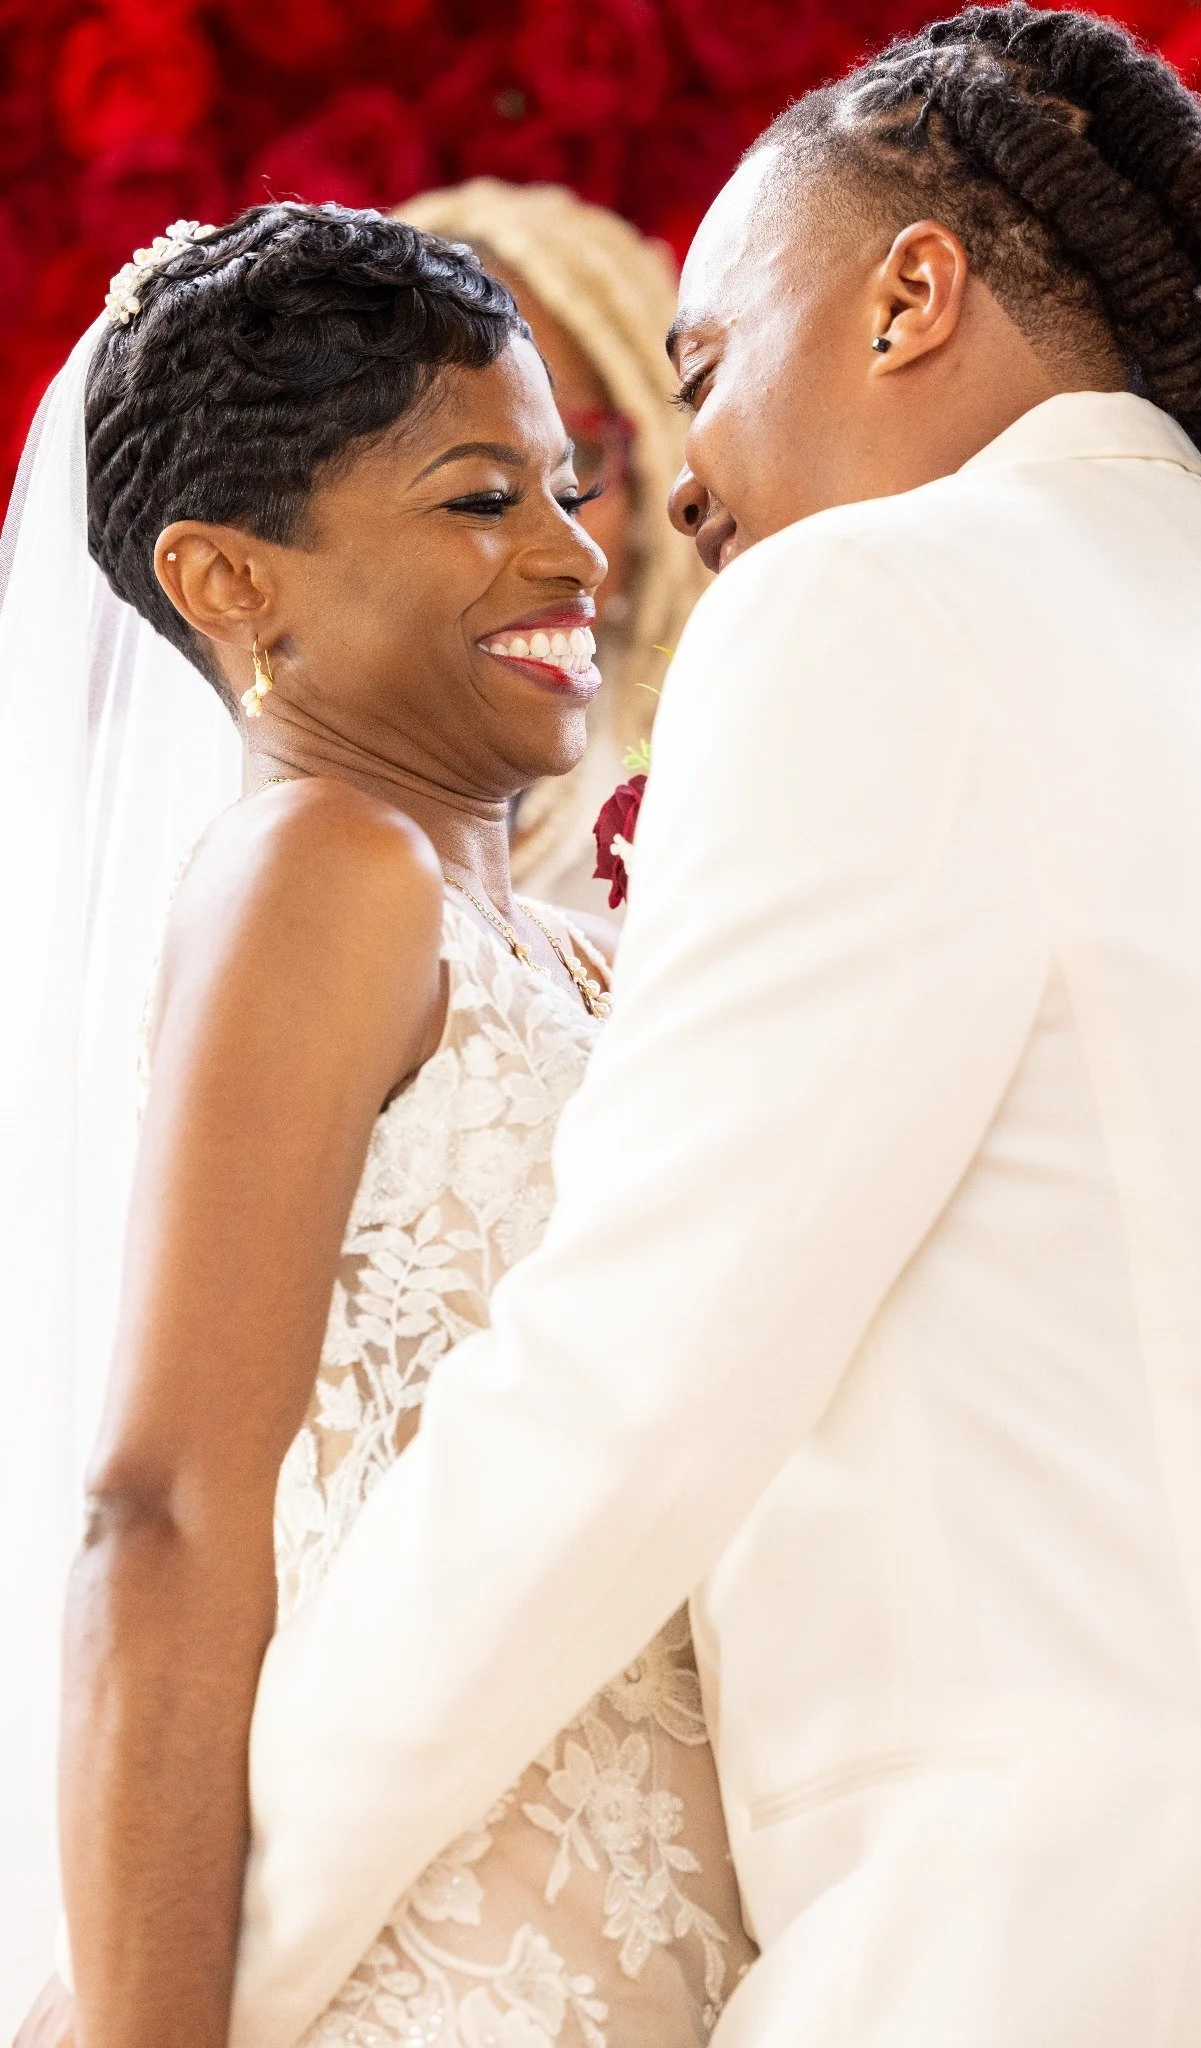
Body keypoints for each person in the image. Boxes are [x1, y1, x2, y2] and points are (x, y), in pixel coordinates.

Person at [227, 8, 1201, 2048]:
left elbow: (629, 1378)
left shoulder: (874, 611)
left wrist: (210, 1946)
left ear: (909, 294)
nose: (680, 494)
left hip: (1025, 1944)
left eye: (704, 374)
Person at [12, 203, 753, 2048]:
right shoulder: (314, 870)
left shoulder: (564, 939)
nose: (577, 549)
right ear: (232, 580)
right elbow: (165, 1507)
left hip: (662, 1928)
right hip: (435, 1957)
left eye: (568, 486)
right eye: (476, 498)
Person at [394, 178, 708, 915]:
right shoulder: (204, 780)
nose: (529, 538)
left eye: (574, 461)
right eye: (459, 471)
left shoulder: (722, 791)